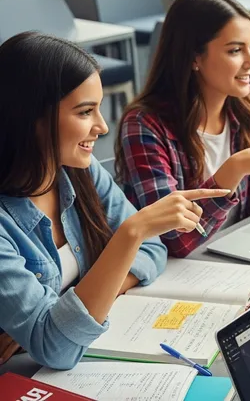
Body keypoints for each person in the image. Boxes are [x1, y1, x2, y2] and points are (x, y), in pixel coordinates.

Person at [0, 32, 230, 369]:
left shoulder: (82, 170)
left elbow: (153, 250)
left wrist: (72, 303)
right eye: (85, 112)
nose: (103, 127)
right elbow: (56, 349)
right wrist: (129, 234)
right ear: (32, 118)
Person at [115, 0, 250, 258]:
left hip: (236, 251)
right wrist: (234, 169)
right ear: (194, 57)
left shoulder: (246, 102)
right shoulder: (144, 125)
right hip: (179, 269)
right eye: (235, 50)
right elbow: (174, 239)